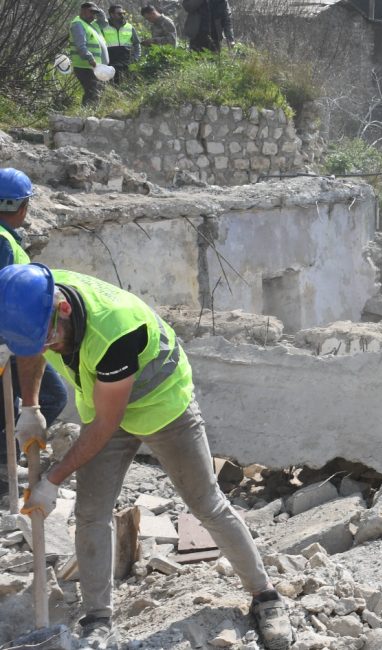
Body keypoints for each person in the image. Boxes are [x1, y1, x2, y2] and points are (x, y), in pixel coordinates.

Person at [3, 264, 293, 650]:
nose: (43, 347)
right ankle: (98, 623)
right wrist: (31, 406)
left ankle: (266, 597)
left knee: (206, 503)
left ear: (65, 309)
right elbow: (29, 347)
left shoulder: (117, 329)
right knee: (90, 513)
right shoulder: (32, 298)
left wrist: (52, 479)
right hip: (102, 402)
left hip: (162, 405)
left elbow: (107, 424)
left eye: (46, 339)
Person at [0, 171, 67, 498]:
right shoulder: (1, 241)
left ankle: (6, 464)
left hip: (9, 337)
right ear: (21, 206)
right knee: (53, 396)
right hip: (9, 338)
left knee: (9, 404)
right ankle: (4, 465)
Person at [69, 2, 109, 106]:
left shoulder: (92, 25)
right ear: (83, 11)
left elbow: (104, 23)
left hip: (93, 66)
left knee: (97, 91)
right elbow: (80, 45)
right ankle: (86, 115)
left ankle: (91, 114)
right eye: (91, 12)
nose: (93, 15)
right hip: (85, 65)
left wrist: (99, 11)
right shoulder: (78, 24)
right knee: (92, 91)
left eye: (95, 13)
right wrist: (90, 59)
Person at [101, 5, 140, 82]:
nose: (122, 15)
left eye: (123, 13)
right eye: (119, 13)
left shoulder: (129, 27)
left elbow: (136, 43)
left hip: (127, 62)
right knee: (112, 84)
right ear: (112, 14)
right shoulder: (104, 26)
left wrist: (136, 57)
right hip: (110, 62)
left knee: (127, 84)